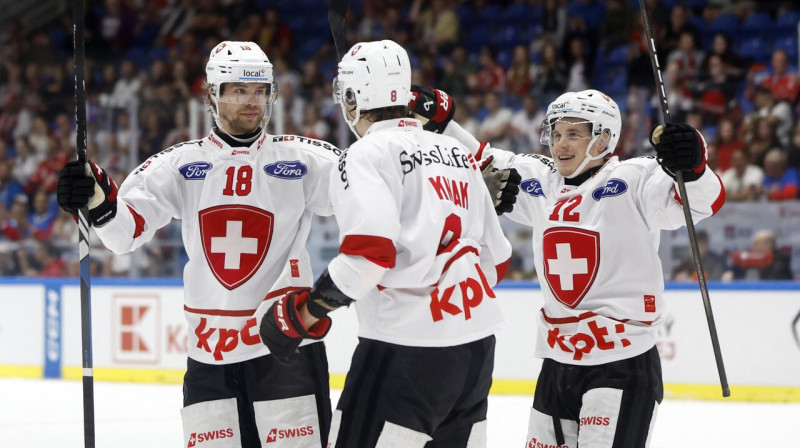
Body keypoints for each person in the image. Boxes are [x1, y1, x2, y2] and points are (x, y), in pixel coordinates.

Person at [56, 41, 338, 448]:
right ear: (212, 93)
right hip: (210, 359)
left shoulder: (305, 159)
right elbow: (122, 235)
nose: (252, 101)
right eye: (239, 90)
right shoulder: (178, 165)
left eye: (260, 90)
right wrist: (98, 198)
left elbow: (367, 199)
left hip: (285, 351)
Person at [413, 87, 725, 447]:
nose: (560, 144)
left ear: (604, 138)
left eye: (574, 134)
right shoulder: (541, 180)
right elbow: (480, 160)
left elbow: (703, 202)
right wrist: (439, 121)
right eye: (556, 133)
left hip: (621, 363)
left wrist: (693, 165)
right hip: (557, 364)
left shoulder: (636, 179)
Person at [258, 39, 516, 447]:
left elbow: (368, 256)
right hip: (476, 354)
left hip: (406, 353)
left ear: (352, 97)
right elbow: (497, 261)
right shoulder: (454, 150)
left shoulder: (364, 154)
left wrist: (304, 314)